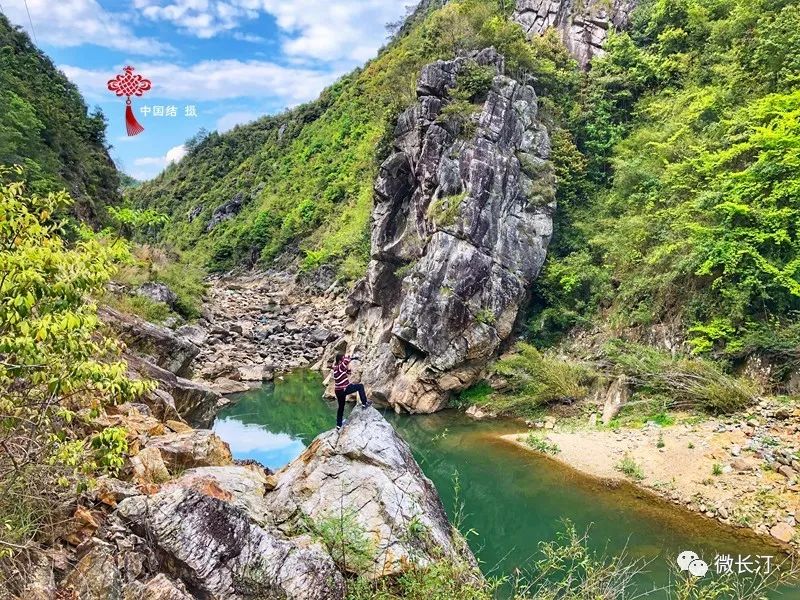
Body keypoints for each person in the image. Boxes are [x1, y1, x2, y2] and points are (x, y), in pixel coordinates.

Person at [332, 353, 371, 429]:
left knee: (341, 407)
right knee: (360, 386)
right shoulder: (339, 367)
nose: (343, 360)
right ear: (340, 361)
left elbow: (347, 371)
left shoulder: (336, 368)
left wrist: (348, 370)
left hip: (338, 390)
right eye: (342, 359)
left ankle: (338, 425)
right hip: (344, 388)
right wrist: (348, 356)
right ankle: (364, 403)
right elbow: (346, 361)